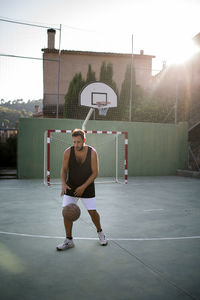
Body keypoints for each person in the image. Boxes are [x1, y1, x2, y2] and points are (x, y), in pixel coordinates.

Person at [56, 128, 107, 251]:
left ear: (84, 140)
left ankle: (100, 233)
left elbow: (95, 173)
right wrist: (63, 184)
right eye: (74, 142)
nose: (76, 144)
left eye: (78, 142)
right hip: (71, 185)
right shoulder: (68, 152)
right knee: (66, 212)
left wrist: (83, 187)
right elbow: (63, 170)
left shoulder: (92, 152)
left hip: (87, 186)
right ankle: (69, 240)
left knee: (92, 213)